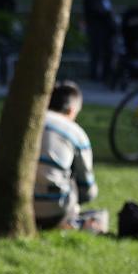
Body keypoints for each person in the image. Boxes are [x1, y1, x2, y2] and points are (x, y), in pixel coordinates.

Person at [33, 81, 103, 232]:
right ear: (72, 110)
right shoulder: (75, 132)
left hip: (17, 203)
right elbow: (88, 190)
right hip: (54, 211)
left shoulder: (30, 122)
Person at [82, 0, 115, 83]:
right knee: (96, 51)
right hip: (96, 28)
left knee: (107, 51)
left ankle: (107, 73)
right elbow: (96, 11)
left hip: (106, 27)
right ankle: (94, 75)